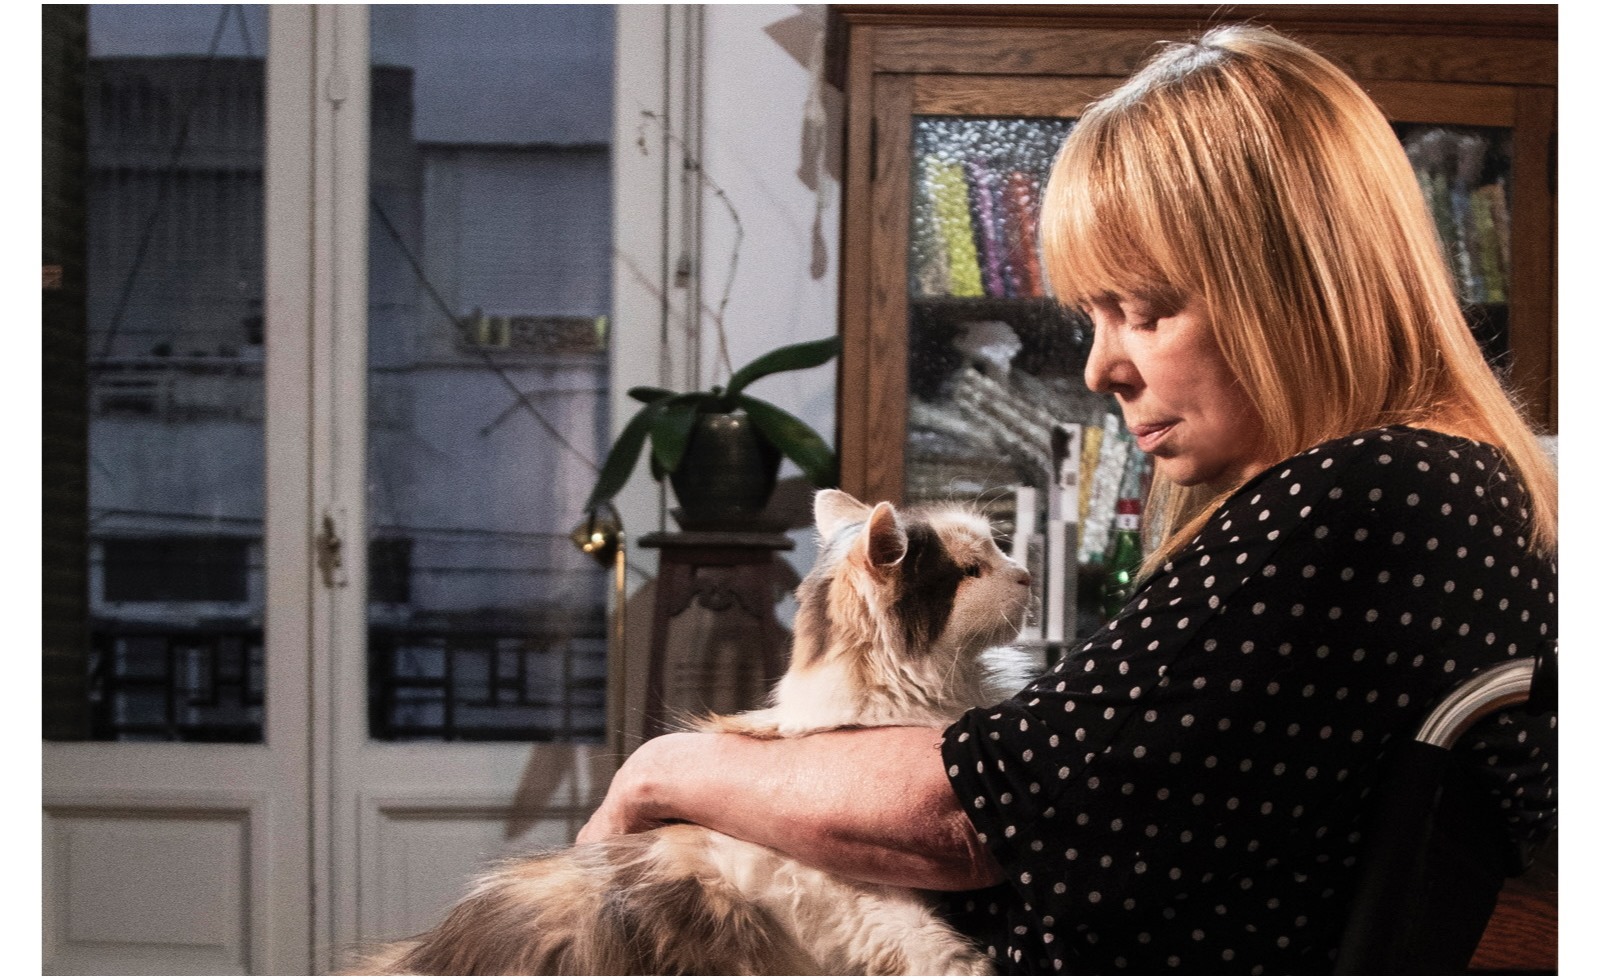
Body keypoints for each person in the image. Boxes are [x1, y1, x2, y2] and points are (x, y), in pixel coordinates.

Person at [578, 24, 1557, 974]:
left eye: (1144, 309)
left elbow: (971, 813)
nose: (1098, 369)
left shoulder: (1358, 497)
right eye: (1092, 316)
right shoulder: (1470, 491)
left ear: (1297, 284)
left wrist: (667, 768)